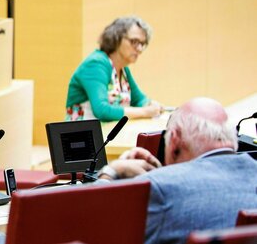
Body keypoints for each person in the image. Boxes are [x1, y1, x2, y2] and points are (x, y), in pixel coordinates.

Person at [98, 97, 257, 244]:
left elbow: (93, 227)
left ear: (174, 140)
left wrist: (111, 172)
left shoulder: (157, 188)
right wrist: (162, 173)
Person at [65, 16, 162, 121]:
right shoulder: (95, 64)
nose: (139, 49)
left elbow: (139, 100)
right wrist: (145, 111)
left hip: (107, 135)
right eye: (134, 41)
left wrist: (152, 104)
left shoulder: (123, 69)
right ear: (116, 38)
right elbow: (102, 111)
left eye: (142, 44)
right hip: (82, 135)